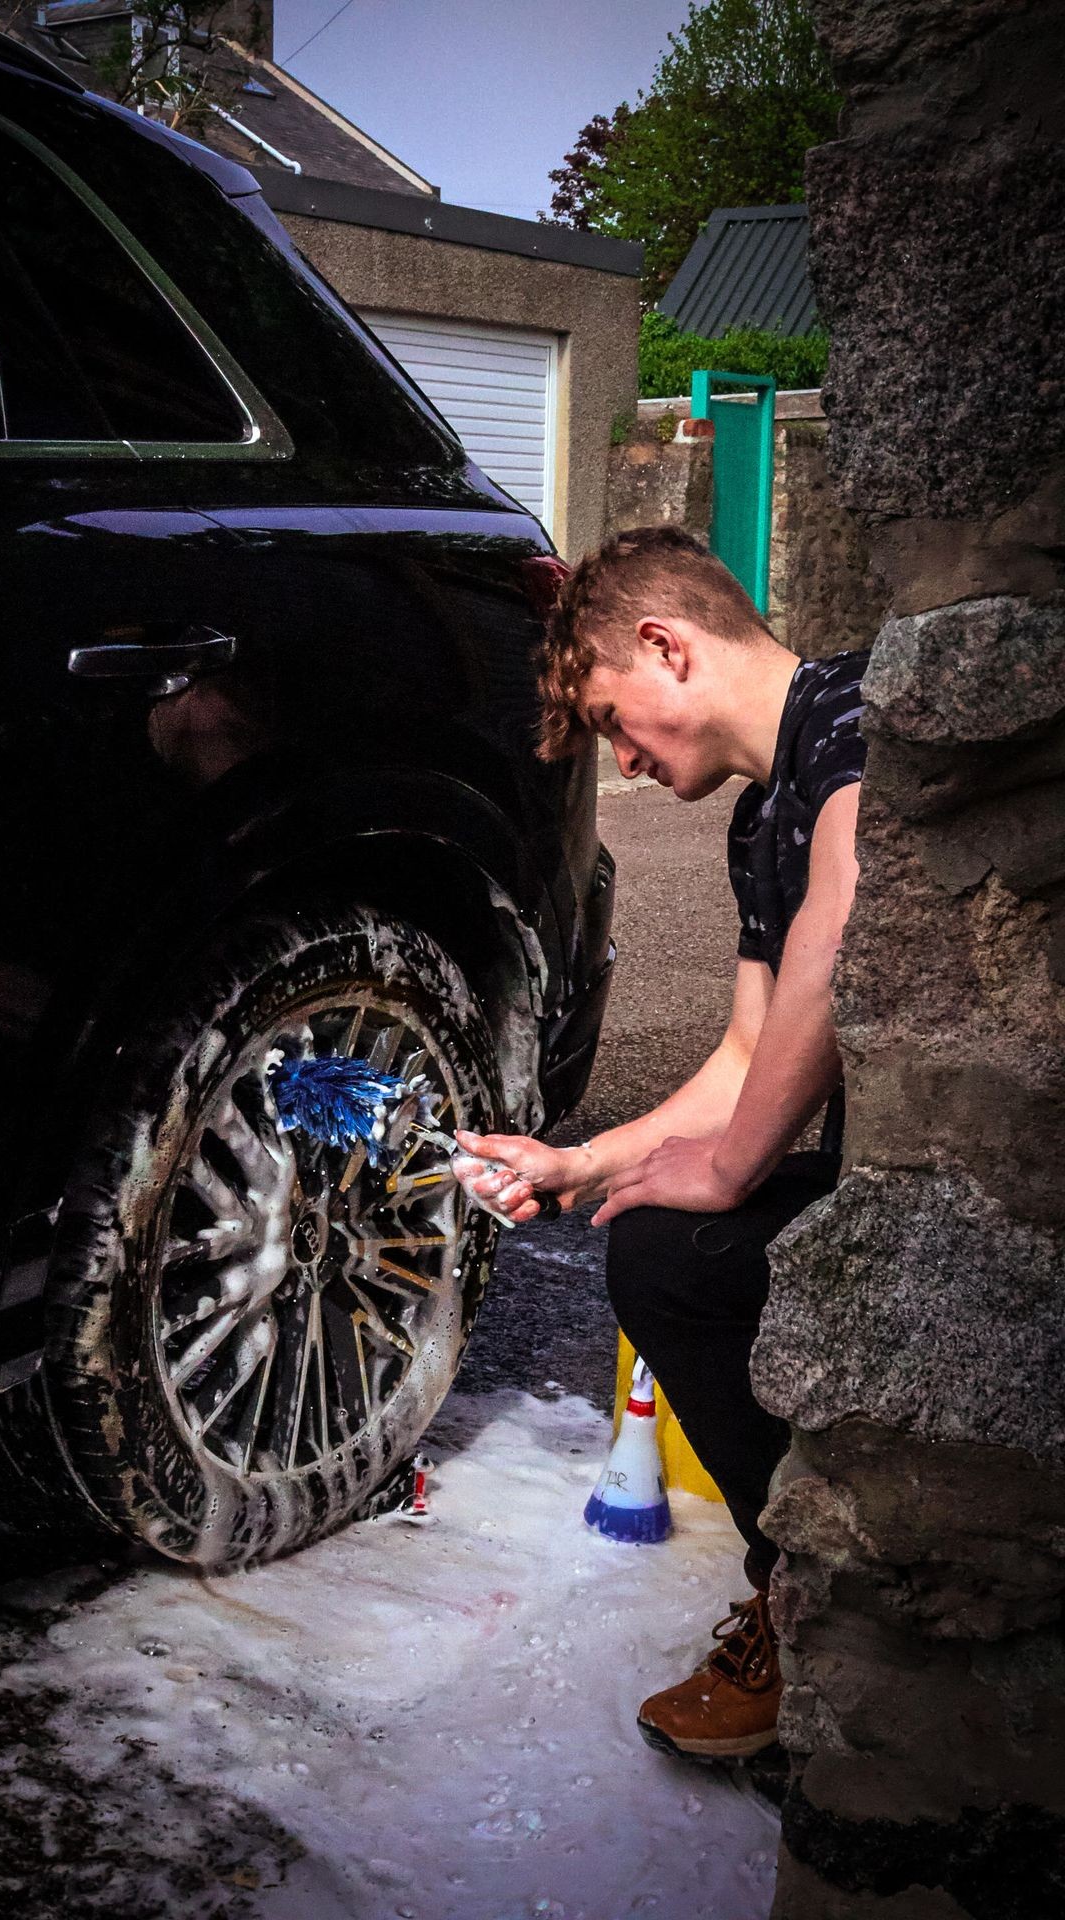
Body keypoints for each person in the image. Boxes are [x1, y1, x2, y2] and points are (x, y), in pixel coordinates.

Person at [454, 526, 867, 1763]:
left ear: (663, 645)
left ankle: (812, 1608)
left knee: (681, 1255)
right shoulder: (760, 821)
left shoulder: (854, 720)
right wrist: (579, 1163)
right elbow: (746, 1056)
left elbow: (843, 934)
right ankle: (804, 1587)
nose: (622, 759)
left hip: (961, 1190)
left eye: (612, 720)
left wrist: (733, 1166)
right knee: (654, 1241)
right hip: (870, 1174)